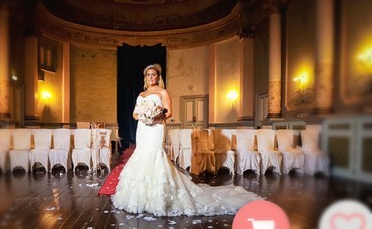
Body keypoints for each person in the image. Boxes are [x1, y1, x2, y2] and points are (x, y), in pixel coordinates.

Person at [111, 63, 262, 216]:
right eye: (148, 75)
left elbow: (168, 112)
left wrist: (156, 116)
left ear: (158, 77)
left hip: (156, 128)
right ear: (145, 77)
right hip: (143, 129)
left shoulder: (163, 92)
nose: (151, 77)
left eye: (153, 74)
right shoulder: (141, 95)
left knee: (155, 155)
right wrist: (143, 116)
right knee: (141, 154)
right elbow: (134, 114)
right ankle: (140, 197)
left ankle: (160, 197)